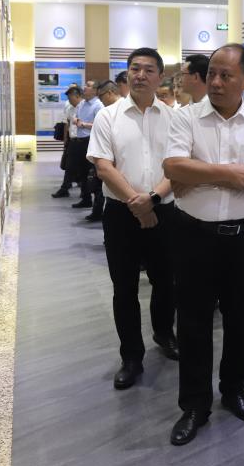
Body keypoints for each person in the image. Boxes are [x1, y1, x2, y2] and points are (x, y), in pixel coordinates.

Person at [162, 43, 244, 446]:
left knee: (239, 318)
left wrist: (198, 175)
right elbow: (172, 167)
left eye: (226, 75)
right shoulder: (186, 117)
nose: (216, 82)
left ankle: (234, 389)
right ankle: (195, 404)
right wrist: (229, 173)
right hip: (193, 234)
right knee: (192, 322)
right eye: (212, 73)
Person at [87, 48, 179, 390]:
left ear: (160, 77)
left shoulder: (174, 118)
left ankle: (164, 333)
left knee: (166, 281)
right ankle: (131, 356)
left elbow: (179, 166)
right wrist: (138, 204)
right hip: (121, 214)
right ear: (127, 73)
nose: (140, 75)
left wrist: (152, 199)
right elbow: (103, 166)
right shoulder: (107, 116)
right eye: (134, 68)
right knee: (123, 287)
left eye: (148, 69)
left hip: (165, 211)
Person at [84, 81, 121, 222]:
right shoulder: (106, 114)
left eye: (101, 96)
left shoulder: (109, 113)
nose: (100, 100)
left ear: (110, 93)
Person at [70, 80, 104, 210]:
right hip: (79, 141)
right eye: (85, 85)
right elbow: (76, 117)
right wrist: (76, 120)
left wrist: (83, 124)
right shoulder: (82, 103)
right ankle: (85, 198)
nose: (84, 87)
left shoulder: (98, 105)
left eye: (88, 86)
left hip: (90, 140)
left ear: (95, 90)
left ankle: (97, 205)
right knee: (82, 172)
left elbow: (99, 124)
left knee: (93, 173)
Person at [52, 86, 82, 198]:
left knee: (83, 168)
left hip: (83, 141)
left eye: (70, 97)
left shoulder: (84, 108)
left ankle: (85, 193)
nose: (69, 100)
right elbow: (67, 124)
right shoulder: (70, 108)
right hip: (72, 141)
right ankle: (65, 188)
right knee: (69, 165)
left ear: (77, 96)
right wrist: (65, 139)